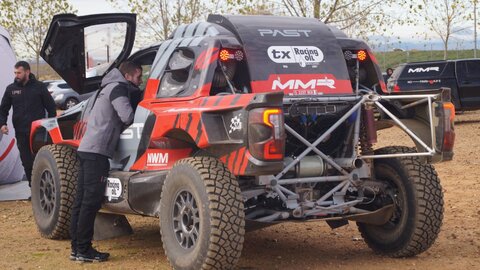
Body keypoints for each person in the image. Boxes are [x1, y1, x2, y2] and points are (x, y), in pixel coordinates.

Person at [69, 61, 142, 262]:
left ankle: (76, 249)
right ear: (128, 76)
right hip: (98, 153)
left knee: (80, 202)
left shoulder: (106, 87)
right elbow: (127, 116)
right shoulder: (118, 89)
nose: (140, 81)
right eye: (138, 77)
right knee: (90, 203)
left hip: (86, 149)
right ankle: (84, 250)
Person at [0, 61, 56, 187]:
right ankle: (34, 189)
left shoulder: (39, 87)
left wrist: (50, 127)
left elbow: (51, 107)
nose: (16, 75)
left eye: (19, 72)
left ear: (27, 72)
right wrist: (2, 124)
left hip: (38, 132)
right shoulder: (11, 89)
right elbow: (3, 109)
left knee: (40, 159)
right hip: (20, 132)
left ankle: (46, 188)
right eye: (15, 73)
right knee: (26, 162)